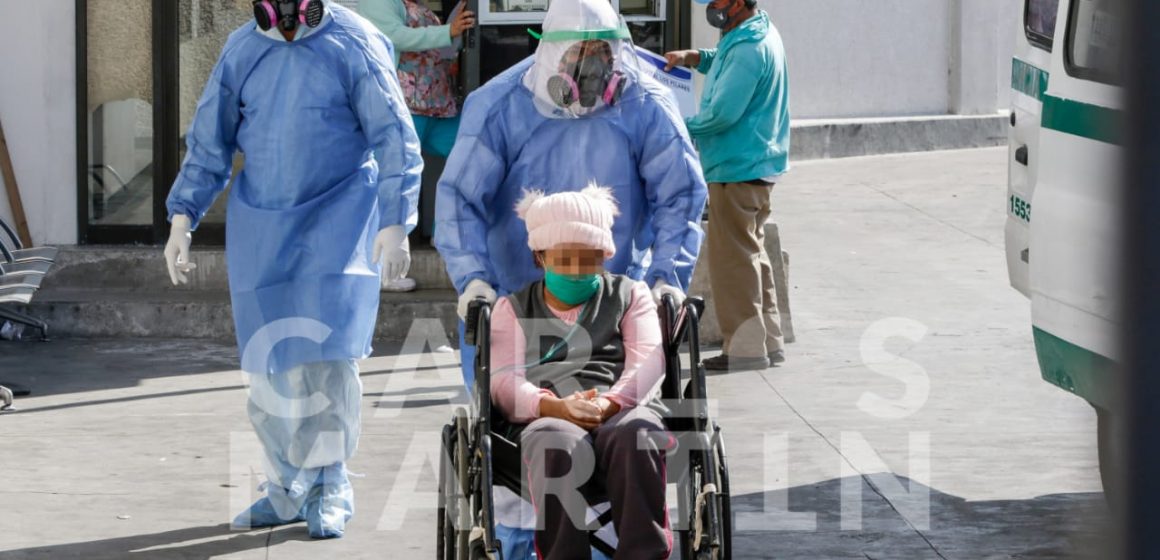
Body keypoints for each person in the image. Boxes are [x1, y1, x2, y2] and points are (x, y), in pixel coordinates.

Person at [434, 0, 706, 553]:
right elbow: (460, 196)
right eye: (577, 54)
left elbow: (680, 194)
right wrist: (475, 282)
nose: (589, 69)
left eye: (601, 55)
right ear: (549, 49)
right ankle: (519, 544)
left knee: (628, 437)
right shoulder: (500, 105)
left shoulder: (645, 102)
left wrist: (665, 278)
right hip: (517, 301)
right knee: (523, 443)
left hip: (612, 302)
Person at [163, 0, 422, 539]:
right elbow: (210, 140)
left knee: (327, 359)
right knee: (269, 364)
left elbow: (394, 134)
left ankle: (329, 483)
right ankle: (285, 488)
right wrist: (182, 216)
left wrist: (397, 220)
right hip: (263, 226)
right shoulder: (242, 50)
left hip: (340, 216)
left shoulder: (354, 42)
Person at [492, 186, 671, 559]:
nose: (577, 269)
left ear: (606, 254)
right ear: (540, 256)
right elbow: (504, 381)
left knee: (638, 431)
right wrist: (555, 408)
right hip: (547, 414)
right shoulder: (511, 309)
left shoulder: (630, 295)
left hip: (620, 408)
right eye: (565, 258)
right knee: (553, 439)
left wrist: (609, 404)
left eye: (590, 258)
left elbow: (648, 362)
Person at [663, 0, 790, 372]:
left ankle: (746, 351)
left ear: (738, 2)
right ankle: (769, 340)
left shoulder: (751, 48)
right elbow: (724, 59)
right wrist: (693, 57)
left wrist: (677, 125)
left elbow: (722, 114)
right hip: (754, 164)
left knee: (733, 264)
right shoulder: (751, 32)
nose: (711, 6)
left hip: (738, 168)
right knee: (753, 254)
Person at [359, 0, 476, 292]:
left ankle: (444, 233)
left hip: (439, 105)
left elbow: (444, 48)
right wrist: (448, 30)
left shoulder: (415, 5)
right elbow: (396, 37)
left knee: (470, 154)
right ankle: (384, 269)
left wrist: (457, 31)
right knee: (395, 179)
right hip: (403, 106)